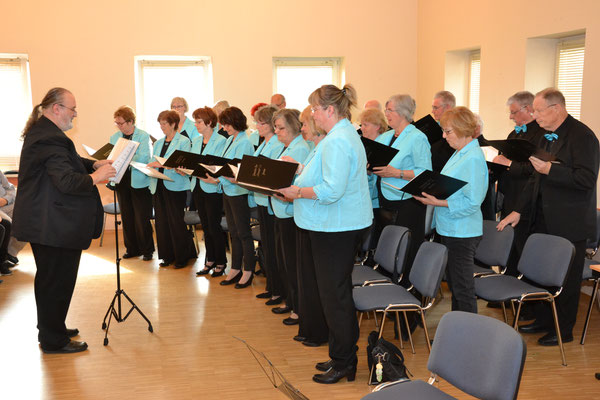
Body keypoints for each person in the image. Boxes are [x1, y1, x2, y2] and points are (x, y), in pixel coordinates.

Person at [280, 84, 372, 384]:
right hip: (333, 226)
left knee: (336, 297)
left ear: (329, 110)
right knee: (334, 295)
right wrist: (298, 173)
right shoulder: (337, 137)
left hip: (336, 228)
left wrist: (297, 192)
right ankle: (339, 355)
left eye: (315, 109)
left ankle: (345, 362)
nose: (313, 115)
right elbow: (326, 177)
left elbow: (332, 190)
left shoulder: (337, 140)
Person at [12, 87, 116, 354]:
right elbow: (68, 181)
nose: (75, 114)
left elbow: (67, 161)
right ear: (56, 108)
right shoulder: (50, 138)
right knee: (56, 281)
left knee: (50, 280)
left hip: (46, 222)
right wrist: (98, 176)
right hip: (53, 224)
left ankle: (52, 327)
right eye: (72, 109)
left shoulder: (45, 133)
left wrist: (92, 164)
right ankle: (53, 339)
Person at [498, 88, 599, 346]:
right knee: (540, 272)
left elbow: (586, 179)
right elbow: (533, 178)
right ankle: (543, 319)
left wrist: (551, 171)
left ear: (556, 109)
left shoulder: (583, 136)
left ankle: (563, 329)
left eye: (539, 110)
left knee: (565, 277)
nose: (535, 115)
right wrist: (518, 210)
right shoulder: (544, 135)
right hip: (540, 217)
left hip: (568, 220)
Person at [414, 106, 488, 314]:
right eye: (444, 131)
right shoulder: (461, 153)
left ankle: (466, 338)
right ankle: (457, 333)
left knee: (462, 287)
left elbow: (473, 202)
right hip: (451, 227)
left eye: (448, 132)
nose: (444, 136)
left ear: (463, 129)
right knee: (456, 285)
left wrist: (438, 202)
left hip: (463, 231)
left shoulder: (472, 157)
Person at [373, 94, 431, 281]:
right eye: (386, 109)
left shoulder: (417, 137)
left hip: (408, 202)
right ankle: (390, 286)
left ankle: (407, 292)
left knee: (407, 248)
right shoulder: (386, 136)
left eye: (390, 110)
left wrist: (397, 173)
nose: (386, 114)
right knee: (390, 248)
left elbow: (425, 172)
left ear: (403, 113)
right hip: (386, 197)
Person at [288, 106, 329, 347]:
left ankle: (317, 330)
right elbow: (312, 176)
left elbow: (327, 187)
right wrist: (298, 169)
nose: (302, 128)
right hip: (308, 217)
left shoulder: (327, 145)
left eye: (304, 124)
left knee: (315, 280)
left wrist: (298, 190)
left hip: (319, 219)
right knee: (307, 276)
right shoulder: (317, 147)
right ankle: (310, 326)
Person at [493, 91, 545, 277]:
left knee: (524, 246)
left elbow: (535, 169)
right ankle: (505, 293)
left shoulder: (542, 135)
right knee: (509, 247)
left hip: (527, 199)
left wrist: (508, 164)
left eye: (514, 112)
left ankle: (522, 293)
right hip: (510, 195)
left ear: (528, 109)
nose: (510, 116)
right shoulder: (513, 133)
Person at [271, 108, 310, 326]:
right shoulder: (287, 146)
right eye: (275, 127)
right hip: (281, 211)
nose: (276, 131)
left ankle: (297, 307)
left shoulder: (301, 148)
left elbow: (297, 182)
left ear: (294, 127)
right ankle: (290, 300)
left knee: (293, 263)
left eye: (280, 127)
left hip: (291, 213)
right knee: (285, 261)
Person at [147, 110, 196, 269]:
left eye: (164, 123)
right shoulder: (159, 142)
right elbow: (153, 161)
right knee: (162, 222)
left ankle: (182, 257)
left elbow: (183, 163)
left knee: (176, 222)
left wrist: (162, 164)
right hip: (159, 184)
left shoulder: (183, 141)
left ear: (173, 124)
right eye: (160, 123)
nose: (161, 127)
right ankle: (167, 256)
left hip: (175, 185)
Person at [217, 106, 256, 288]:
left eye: (227, 124)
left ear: (236, 122)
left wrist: (226, 173)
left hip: (238, 192)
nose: (225, 128)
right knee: (233, 232)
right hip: (228, 189)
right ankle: (235, 268)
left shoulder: (244, 141)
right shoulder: (231, 140)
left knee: (243, 233)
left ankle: (248, 270)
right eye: (224, 125)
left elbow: (241, 171)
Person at [250, 105, 285, 302]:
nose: (257, 126)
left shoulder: (276, 144)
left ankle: (278, 289)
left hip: (271, 202)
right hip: (261, 199)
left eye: (260, 122)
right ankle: (272, 286)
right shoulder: (264, 143)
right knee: (267, 246)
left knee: (273, 248)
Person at [110, 106, 154, 261]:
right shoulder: (115, 137)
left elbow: (144, 157)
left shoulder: (142, 136)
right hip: (121, 180)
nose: (119, 126)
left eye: (121, 123)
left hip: (139, 180)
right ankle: (132, 248)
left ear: (130, 122)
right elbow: (111, 157)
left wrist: (126, 158)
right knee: (127, 216)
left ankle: (147, 249)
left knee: (141, 217)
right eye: (117, 123)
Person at [190, 107, 228, 277]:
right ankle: (209, 260)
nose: (196, 124)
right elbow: (192, 161)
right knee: (205, 227)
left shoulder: (220, 140)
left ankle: (221, 262)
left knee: (214, 226)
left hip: (212, 187)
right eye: (195, 121)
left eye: (199, 121)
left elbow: (219, 166)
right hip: (197, 186)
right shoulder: (197, 141)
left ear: (209, 122)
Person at [430, 90, 456, 172]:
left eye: (435, 107)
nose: (432, 111)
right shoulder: (433, 127)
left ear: (447, 107)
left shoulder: (457, 128)